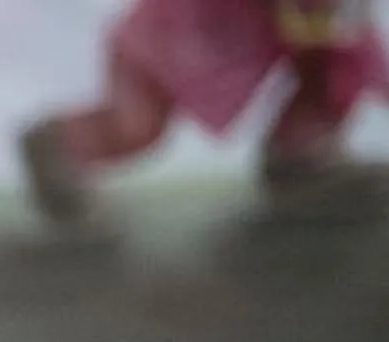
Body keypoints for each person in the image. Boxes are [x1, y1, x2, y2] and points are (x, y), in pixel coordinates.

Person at [19, 0, 387, 233]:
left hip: (223, 47)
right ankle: (59, 145)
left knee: (338, 65)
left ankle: (300, 158)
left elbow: (351, 47)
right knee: (136, 128)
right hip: (159, 48)